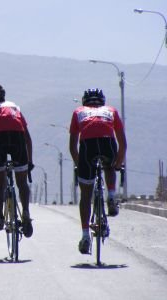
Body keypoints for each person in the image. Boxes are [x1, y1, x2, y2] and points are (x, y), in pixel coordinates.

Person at [69, 88, 127, 254]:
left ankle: (85, 235)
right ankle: (110, 196)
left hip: (88, 147)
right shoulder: (111, 110)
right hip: (108, 144)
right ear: (102, 101)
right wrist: (118, 163)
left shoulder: (78, 112)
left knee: (86, 196)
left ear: (84, 102)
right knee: (110, 166)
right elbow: (123, 143)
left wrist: (79, 164)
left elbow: (73, 146)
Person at [0, 84, 34, 238]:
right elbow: (28, 138)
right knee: (21, 182)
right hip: (18, 138)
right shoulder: (14, 107)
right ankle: (26, 213)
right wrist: (30, 161)